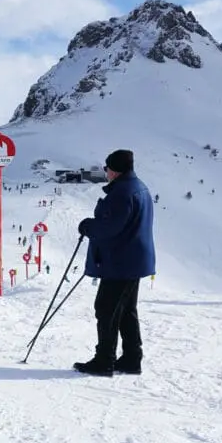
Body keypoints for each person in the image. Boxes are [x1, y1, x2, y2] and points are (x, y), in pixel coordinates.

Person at [73, 149, 155, 376]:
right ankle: (131, 358)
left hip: (121, 261)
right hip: (133, 259)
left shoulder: (122, 193)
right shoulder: (139, 187)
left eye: (107, 168)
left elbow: (110, 227)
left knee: (106, 310)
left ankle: (104, 361)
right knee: (126, 310)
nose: (105, 172)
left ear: (115, 170)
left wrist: (88, 226)